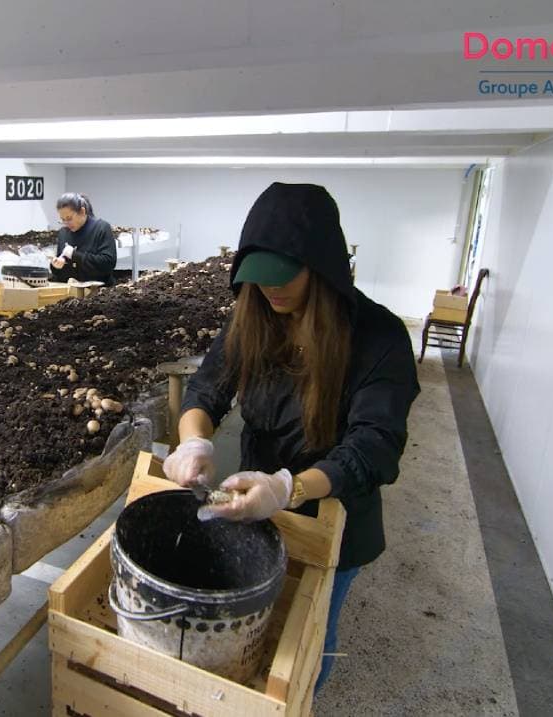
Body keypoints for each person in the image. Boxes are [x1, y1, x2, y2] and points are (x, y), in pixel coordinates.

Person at [163, 182, 420, 696]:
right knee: (252, 626)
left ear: (322, 268)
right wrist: (193, 442)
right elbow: (207, 389)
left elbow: (373, 447)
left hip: (332, 511)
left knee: (305, 646)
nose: (270, 291)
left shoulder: (379, 338)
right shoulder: (255, 315)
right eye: (257, 281)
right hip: (257, 505)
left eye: (284, 278)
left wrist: (289, 488)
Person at [50, 192, 117, 286]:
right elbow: (60, 272)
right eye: (62, 220)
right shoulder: (63, 233)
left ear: (82, 211)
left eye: (69, 218)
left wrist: (75, 255)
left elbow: (107, 264)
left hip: (98, 293)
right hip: (70, 292)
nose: (66, 223)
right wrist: (57, 265)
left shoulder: (101, 228)